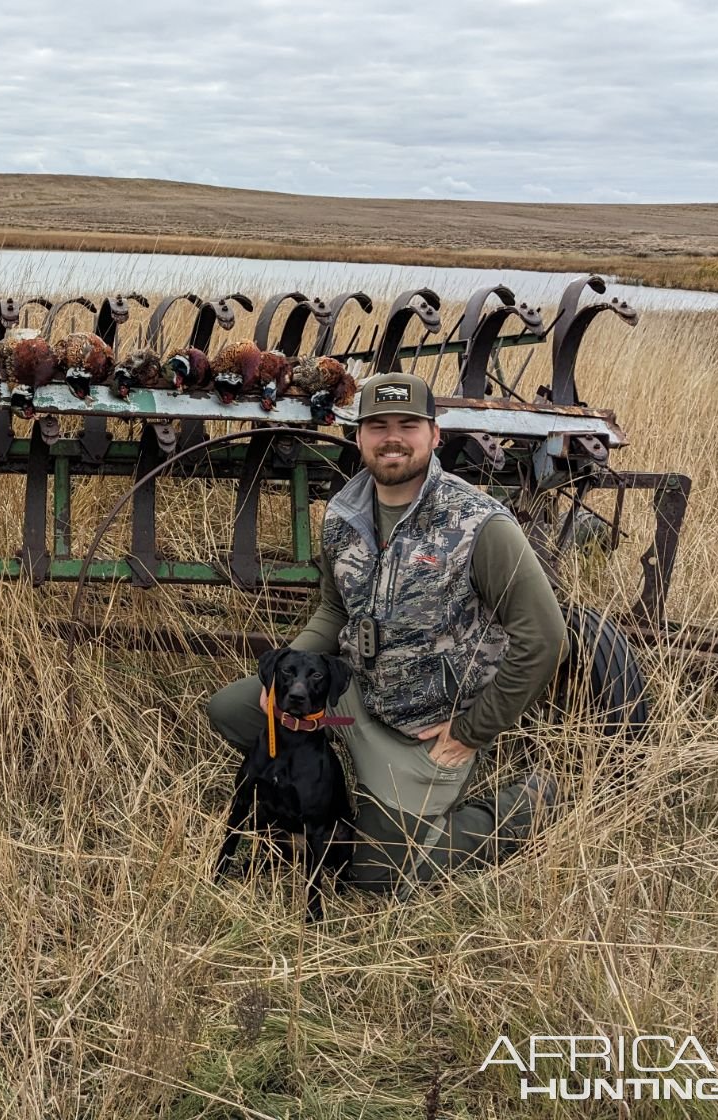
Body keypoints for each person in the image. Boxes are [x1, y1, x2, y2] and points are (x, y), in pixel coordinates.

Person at [207, 372, 568, 895]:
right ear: (359, 436)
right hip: (349, 703)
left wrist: (472, 730)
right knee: (234, 708)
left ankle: (530, 803)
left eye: (407, 425)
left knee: (373, 880)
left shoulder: (480, 525)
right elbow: (335, 610)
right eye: (378, 425)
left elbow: (545, 637)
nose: (392, 437)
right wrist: (287, 682)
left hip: (424, 726)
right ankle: (332, 775)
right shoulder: (343, 514)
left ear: (434, 434)